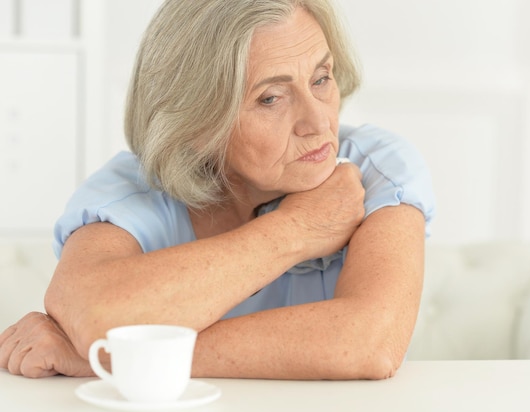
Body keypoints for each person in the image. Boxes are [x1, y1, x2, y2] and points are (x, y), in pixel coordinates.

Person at [0, 0, 434, 380]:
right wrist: (297, 229)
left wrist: (118, 357)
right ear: (197, 124)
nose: (318, 122)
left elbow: (368, 342)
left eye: (321, 78)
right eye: (271, 98)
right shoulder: (134, 188)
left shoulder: (378, 168)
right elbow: (97, 314)